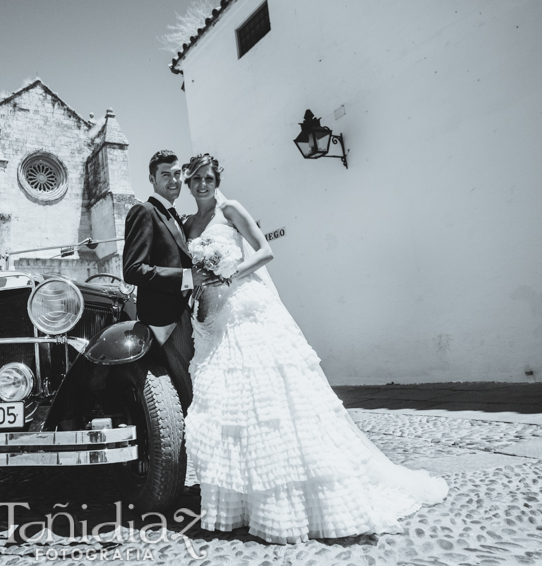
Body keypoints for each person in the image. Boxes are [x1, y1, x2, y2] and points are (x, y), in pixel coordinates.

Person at [181, 153, 448, 544]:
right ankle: (242, 500)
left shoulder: (231, 209)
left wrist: (230, 272)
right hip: (214, 317)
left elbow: (264, 251)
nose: (202, 184)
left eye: (208, 177)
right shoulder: (188, 223)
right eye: (196, 179)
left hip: (246, 306)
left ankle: (299, 494)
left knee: (271, 398)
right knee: (230, 405)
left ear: (216, 179)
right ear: (188, 184)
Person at [123, 150, 208, 413]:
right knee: (188, 394)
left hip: (187, 316)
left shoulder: (174, 216)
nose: (173, 180)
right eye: (165, 175)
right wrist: (187, 278)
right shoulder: (144, 211)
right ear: (152, 179)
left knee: (196, 387)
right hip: (167, 323)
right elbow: (133, 270)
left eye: (176, 174)